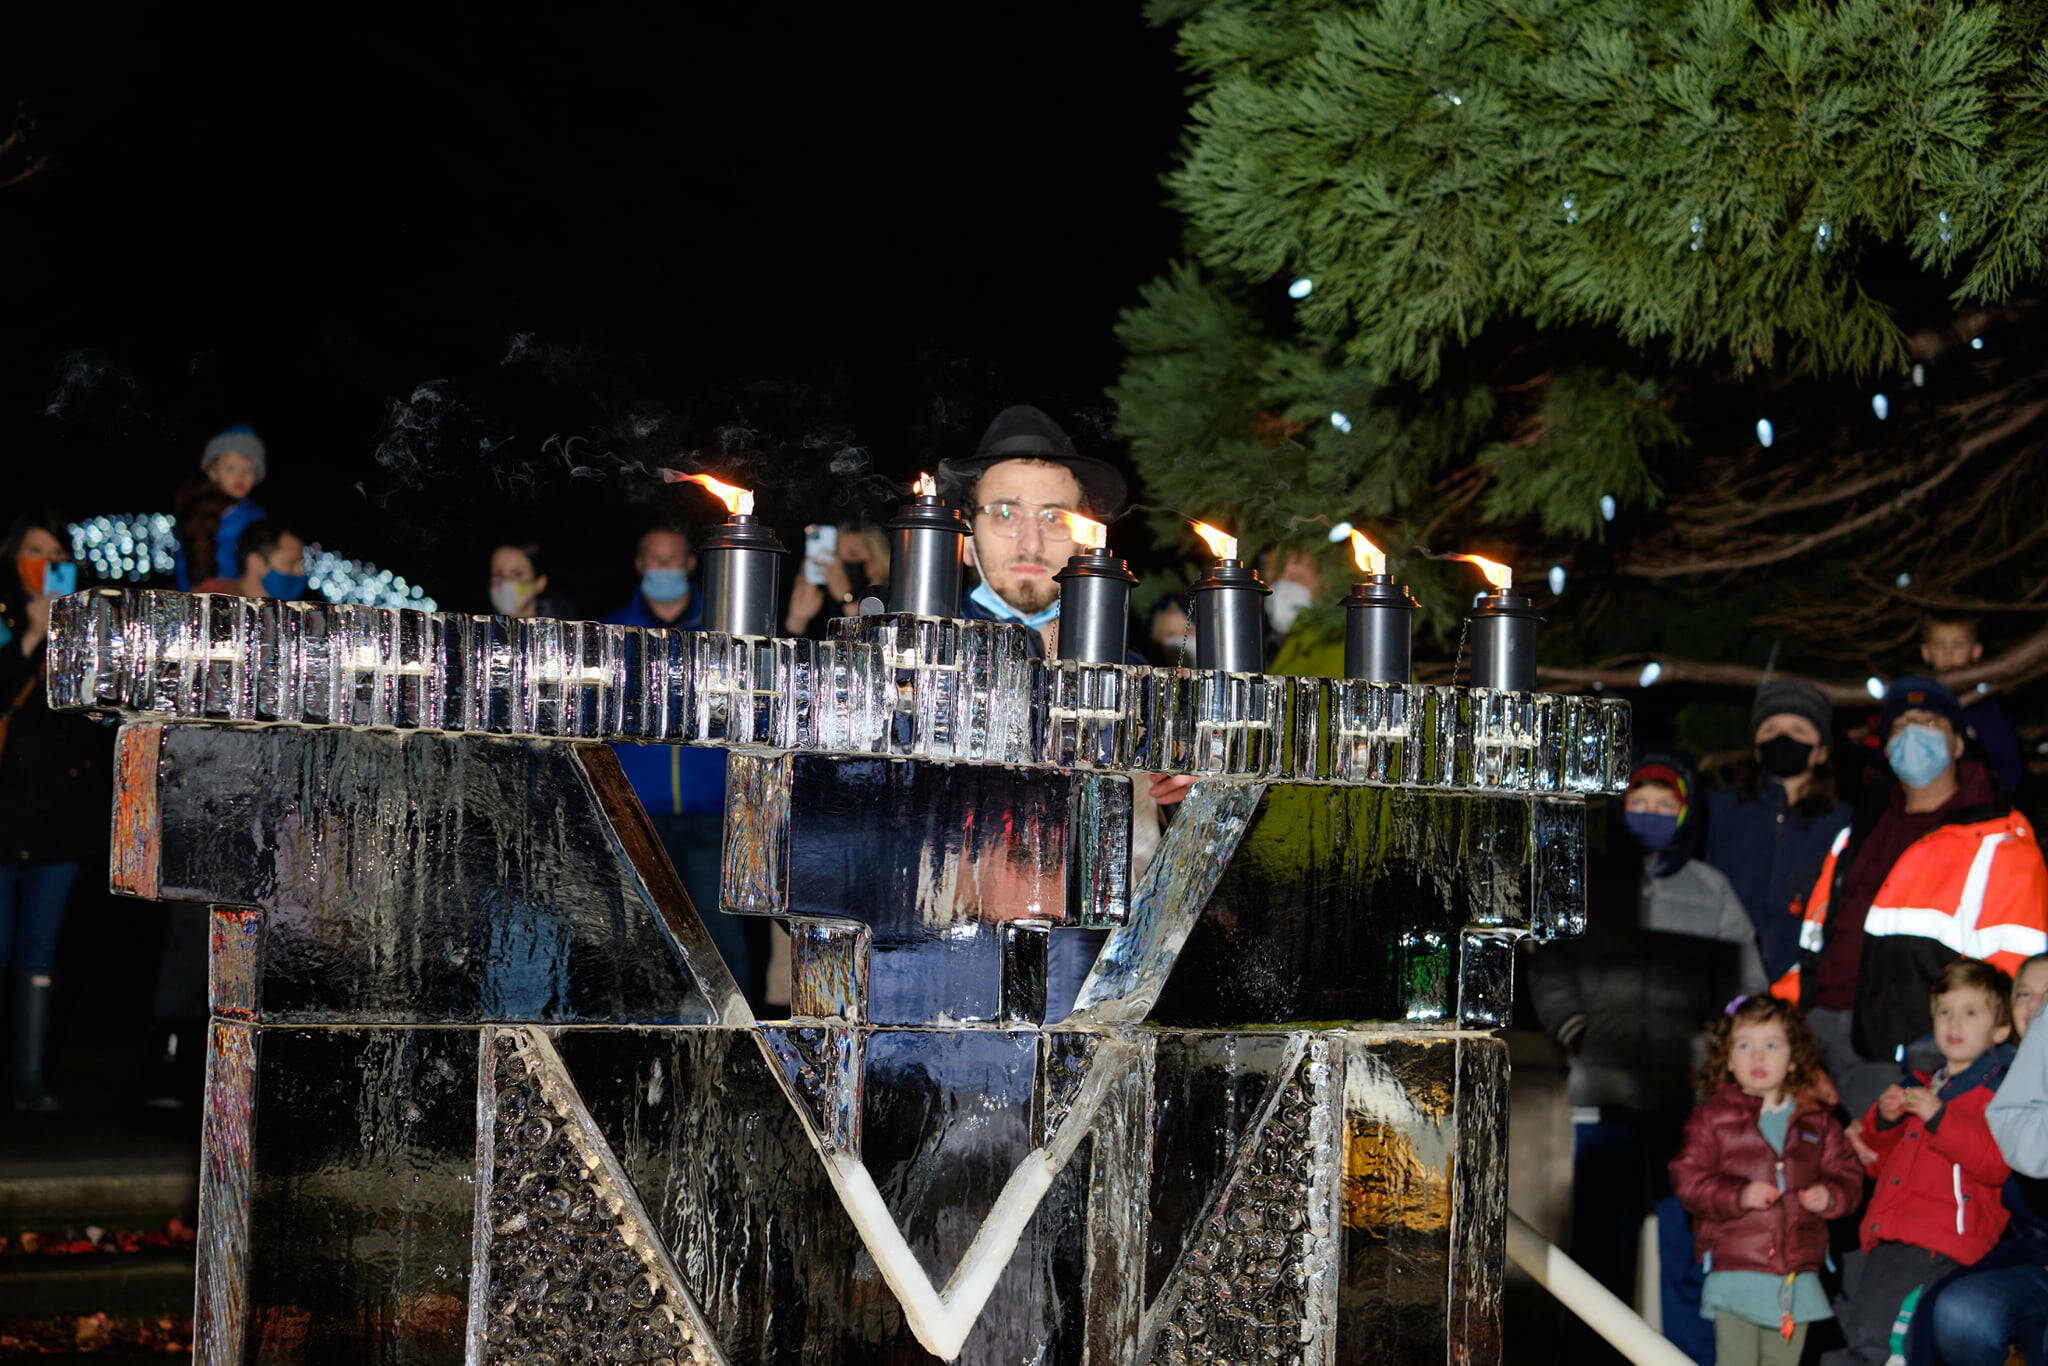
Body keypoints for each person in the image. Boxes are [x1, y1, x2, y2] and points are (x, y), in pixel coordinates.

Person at [1530, 748, 1766, 1360]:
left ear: (1687, 814)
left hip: (1688, 1099)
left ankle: (1688, 1357)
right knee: (1598, 1247)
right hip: (1604, 1093)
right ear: (1620, 805)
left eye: (1667, 804)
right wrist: (1574, 1027)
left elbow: (1747, 988)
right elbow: (1549, 963)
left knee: (1689, 1241)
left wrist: (1720, 1054)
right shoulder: (1586, 884)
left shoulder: (1712, 890)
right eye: (1641, 801)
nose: (1653, 813)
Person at [1793, 676, 2048, 1122]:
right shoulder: (1858, 830)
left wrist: (1955, 1062)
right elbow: (1815, 940)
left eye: (1929, 722)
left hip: (1916, 1055)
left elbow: (2017, 972)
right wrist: (1794, 1035)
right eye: (1900, 725)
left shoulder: (2000, 839)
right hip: (1820, 1043)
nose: (1913, 733)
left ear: (1958, 743)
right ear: (1886, 747)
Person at [603, 525, 764, 1008]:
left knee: (721, 943)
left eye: (672, 559)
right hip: (635, 817)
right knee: (637, 938)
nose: (663, 569)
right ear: (639, 563)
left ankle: (733, 1038)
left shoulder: (724, 630)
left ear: (691, 563)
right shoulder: (613, 636)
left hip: (714, 816)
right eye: (654, 559)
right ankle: (637, 1033)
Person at [1831, 959, 2018, 1366]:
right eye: (1945, 1010)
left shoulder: (1998, 1095)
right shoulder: (1919, 1083)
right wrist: (1883, 1121)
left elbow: (1995, 1165)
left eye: (1971, 1012)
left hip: (1941, 1245)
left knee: (1887, 1344)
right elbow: (1876, 1164)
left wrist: (1939, 1117)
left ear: (2001, 1030)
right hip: (1892, 1236)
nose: (1954, 1022)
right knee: (1864, 1332)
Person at [1669, 996, 1863, 1366]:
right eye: (1745, 1046)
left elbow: (1848, 1174)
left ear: (1794, 1059)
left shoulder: (1816, 1120)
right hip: (1735, 1272)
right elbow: (1687, 1178)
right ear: (1728, 1059)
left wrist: (1830, 1195)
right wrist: (1738, 1195)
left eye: (1771, 1045)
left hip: (1796, 1279)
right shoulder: (1711, 1118)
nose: (1758, 1057)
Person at [0, 512, 110, 1111]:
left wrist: (62, 639)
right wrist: (27, 637)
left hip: (59, 822)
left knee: (39, 948)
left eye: (57, 553)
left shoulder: (84, 630)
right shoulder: (1, 618)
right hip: (4, 814)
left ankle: (30, 1078)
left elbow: (92, 718)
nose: (46, 563)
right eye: (34, 550)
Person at [1913, 951, 2048, 1366]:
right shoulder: (1981, 1077)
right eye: (2025, 993)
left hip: (1972, 1241)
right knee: (1955, 1313)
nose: (2038, 1004)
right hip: (2014, 1255)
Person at [1705, 679, 1852, 989]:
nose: (1783, 739)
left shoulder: (1843, 824)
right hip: (1724, 979)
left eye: (1799, 730)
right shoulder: (1720, 811)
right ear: (1756, 750)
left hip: (1805, 986)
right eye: (1770, 729)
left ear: (1821, 752)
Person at [1920, 614, 2023, 795]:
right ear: (1926, 652)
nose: (1948, 654)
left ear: (1976, 651)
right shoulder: (1917, 701)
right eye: (1939, 645)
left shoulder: (1984, 706)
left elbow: (2007, 763)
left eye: (1958, 645)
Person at [173, 425, 269, 591]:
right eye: (230, 468)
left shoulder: (256, 517)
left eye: (248, 470)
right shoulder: (196, 509)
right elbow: (185, 556)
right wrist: (191, 589)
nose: (240, 476)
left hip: (239, 592)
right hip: (198, 591)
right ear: (213, 472)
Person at [784, 523, 889, 637]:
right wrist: (798, 619)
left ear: (878, 560)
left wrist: (845, 597)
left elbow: (870, 640)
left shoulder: (893, 603)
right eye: (837, 557)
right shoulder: (826, 607)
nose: (840, 568)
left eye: (853, 554)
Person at [191, 518, 308, 600]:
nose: (299, 571)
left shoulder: (285, 617)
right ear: (255, 562)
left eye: (300, 563)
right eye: (290, 563)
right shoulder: (213, 602)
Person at [487, 541, 572, 619]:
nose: (505, 582)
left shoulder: (561, 622)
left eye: (517, 574)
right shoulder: (484, 627)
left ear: (540, 582)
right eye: (497, 574)